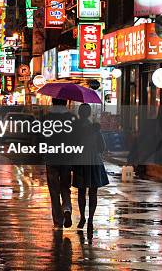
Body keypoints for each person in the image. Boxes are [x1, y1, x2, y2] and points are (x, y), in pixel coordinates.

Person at [72, 104, 109, 232]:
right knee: (93, 192)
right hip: (94, 162)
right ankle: (91, 219)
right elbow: (102, 147)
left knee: (81, 192)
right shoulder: (95, 129)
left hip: (80, 162)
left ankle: (82, 217)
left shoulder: (75, 129)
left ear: (79, 114)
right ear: (89, 114)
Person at [44, 98, 76, 228]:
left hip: (51, 157)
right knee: (65, 187)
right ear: (65, 103)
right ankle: (67, 209)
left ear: (53, 102)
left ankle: (58, 220)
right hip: (67, 157)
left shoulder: (47, 118)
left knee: (54, 190)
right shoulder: (71, 118)